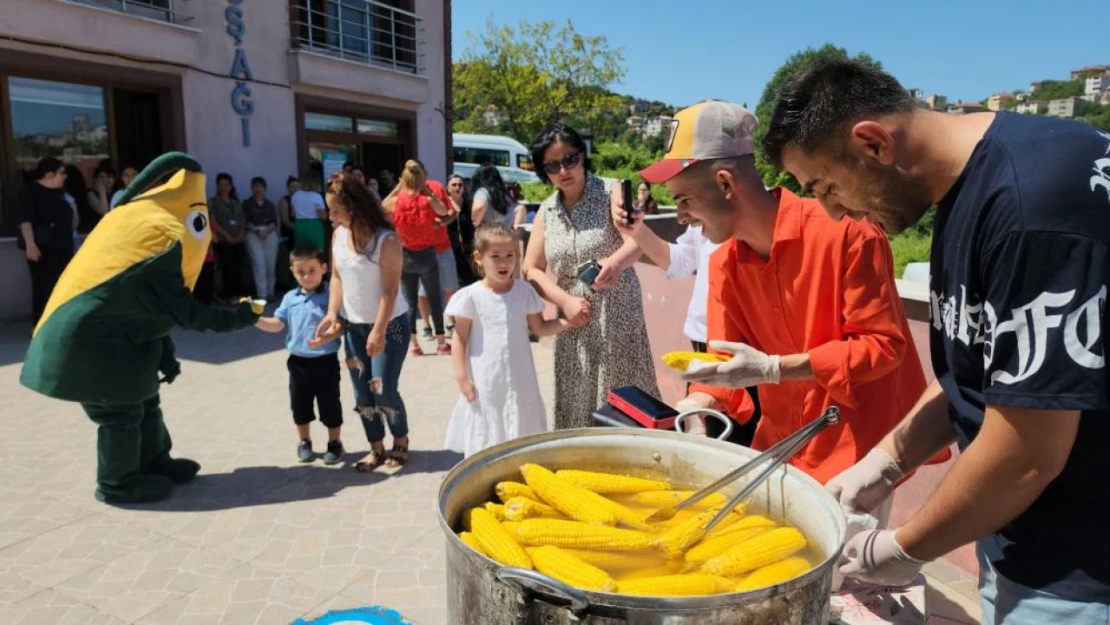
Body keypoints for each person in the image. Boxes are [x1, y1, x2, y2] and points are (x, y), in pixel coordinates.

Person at [764, 59, 1110, 620]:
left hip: (1084, 569)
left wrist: (901, 548)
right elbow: (977, 369)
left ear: (873, 143)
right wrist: (886, 460)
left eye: (825, 186)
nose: (829, 210)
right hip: (1025, 542)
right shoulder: (968, 188)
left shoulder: (1032, 206)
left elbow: (1026, 453)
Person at [614, 100, 933, 492]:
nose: (679, 217)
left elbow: (882, 347)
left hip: (856, 461)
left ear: (726, 184)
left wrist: (775, 368)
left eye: (683, 199)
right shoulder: (722, 266)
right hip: (778, 453)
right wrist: (694, 412)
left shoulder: (848, 234)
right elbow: (721, 367)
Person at [20, 153, 261, 504]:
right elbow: (193, 316)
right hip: (92, 345)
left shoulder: (147, 236)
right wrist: (247, 315)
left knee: (147, 399)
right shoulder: (159, 249)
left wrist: (165, 356)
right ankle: (117, 483)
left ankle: (154, 460)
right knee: (121, 412)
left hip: (120, 340)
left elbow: (152, 315)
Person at [523, 124, 659, 429]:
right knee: (577, 396)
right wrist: (564, 301)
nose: (563, 170)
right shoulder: (546, 211)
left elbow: (638, 239)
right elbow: (530, 269)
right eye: (553, 165)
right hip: (573, 319)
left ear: (582, 157)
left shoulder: (612, 191)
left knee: (621, 398)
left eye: (569, 159)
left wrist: (614, 263)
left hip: (616, 309)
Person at [446, 222, 575, 457]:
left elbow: (541, 327)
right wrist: (462, 377)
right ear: (479, 257)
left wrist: (569, 322)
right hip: (487, 381)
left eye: (510, 255)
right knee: (487, 437)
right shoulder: (470, 297)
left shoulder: (524, 292)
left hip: (520, 381)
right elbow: (460, 338)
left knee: (521, 435)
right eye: (495, 256)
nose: (504, 262)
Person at [317, 173, 411, 472]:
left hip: (390, 324)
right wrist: (333, 313)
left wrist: (379, 331)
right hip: (354, 326)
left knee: (383, 388)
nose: (330, 217)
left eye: (336, 210)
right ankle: (376, 448)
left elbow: (390, 290)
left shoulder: (387, 241)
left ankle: (400, 441)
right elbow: (336, 277)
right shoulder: (337, 237)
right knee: (362, 393)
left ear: (355, 207)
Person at [255, 246, 345, 463]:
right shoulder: (289, 298)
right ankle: (304, 442)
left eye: (312, 270)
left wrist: (325, 339)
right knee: (299, 403)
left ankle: (334, 443)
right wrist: (253, 319)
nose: (306, 276)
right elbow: (277, 324)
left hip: (326, 361)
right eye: (300, 272)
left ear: (324, 268)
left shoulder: (330, 296)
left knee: (330, 403)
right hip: (297, 363)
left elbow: (340, 325)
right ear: (292, 272)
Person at [382, 160, 453, 355]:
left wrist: (398, 188)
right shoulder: (427, 201)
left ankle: (414, 344)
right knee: (434, 298)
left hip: (405, 254)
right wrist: (427, 191)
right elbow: (444, 212)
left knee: (410, 302)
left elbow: (381, 206)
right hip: (427, 254)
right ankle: (441, 342)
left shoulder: (397, 201)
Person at [18, 157, 75, 327]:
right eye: (61, 173)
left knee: (63, 287)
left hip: (63, 247)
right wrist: (30, 245)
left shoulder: (60, 193)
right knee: (44, 288)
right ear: (49, 175)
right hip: (43, 249)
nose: (65, 177)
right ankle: (41, 326)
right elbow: (25, 220)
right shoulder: (31, 192)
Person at [209, 172, 247, 299]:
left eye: (226, 185)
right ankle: (230, 295)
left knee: (238, 267)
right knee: (228, 267)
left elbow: (242, 219)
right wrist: (227, 236)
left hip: (238, 239)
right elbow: (213, 221)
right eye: (221, 185)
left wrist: (240, 234)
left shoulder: (236, 202)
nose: (224, 187)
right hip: (223, 240)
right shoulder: (213, 202)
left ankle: (239, 294)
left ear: (231, 186)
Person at [243, 176, 280, 300]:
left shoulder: (270, 205)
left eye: (261, 186)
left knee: (271, 264)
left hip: (269, 234)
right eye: (255, 186)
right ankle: (261, 294)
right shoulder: (247, 203)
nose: (258, 189)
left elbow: (275, 222)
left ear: (265, 188)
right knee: (259, 264)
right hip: (253, 234)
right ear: (252, 188)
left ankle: (271, 292)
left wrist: (268, 230)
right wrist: (256, 230)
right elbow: (245, 221)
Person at [470, 163, 517, 228]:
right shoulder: (506, 195)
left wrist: (476, 222)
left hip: (489, 233)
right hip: (506, 233)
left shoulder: (483, 192)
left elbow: (479, 207)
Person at [290, 174, 328, 252]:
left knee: (301, 252)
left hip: (299, 225)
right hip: (313, 225)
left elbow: (293, 213)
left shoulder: (295, 195)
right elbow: (322, 216)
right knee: (316, 250)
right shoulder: (316, 196)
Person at [86, 160, 115, 229]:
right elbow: (104, 212)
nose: (105, 179)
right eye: (101, 176)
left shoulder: (117, 193)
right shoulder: (91, 194)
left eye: (109, 176)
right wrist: (102, 191)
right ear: (96, 179)